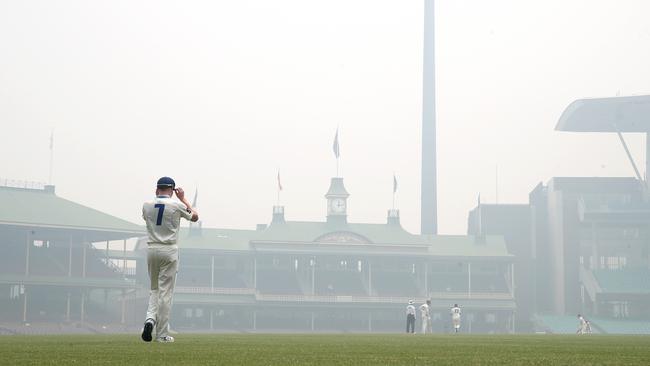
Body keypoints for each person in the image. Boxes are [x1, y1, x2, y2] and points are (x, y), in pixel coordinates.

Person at [141, 177, 198, 343]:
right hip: (169, 249)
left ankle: (150, 319)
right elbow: (194, 217)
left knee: (154, 289)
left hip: (152, 248)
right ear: (172, 190)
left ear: (156, 189)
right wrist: (183, 199)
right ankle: (162, 334)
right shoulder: (177, 204)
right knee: (165, 293)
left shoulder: (146, 204)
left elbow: (147, 219)